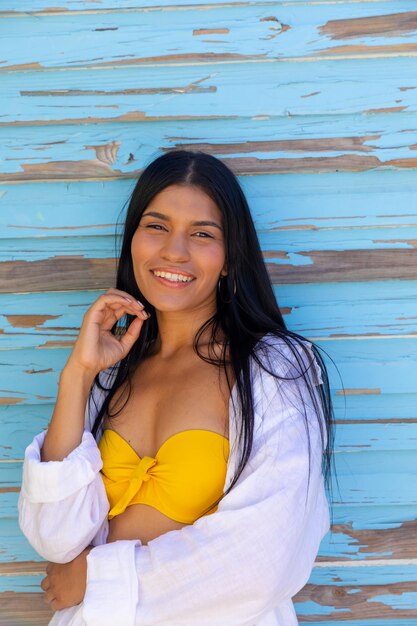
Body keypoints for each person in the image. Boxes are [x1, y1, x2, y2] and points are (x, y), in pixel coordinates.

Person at [18, 149, 334, 626]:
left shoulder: (272, 369)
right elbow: (56, 537)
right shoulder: (113, 374)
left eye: (202, 234)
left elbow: (266, 557)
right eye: (157, 226)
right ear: (133, 242)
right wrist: (77, 374)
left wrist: (98, 579)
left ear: (230, 259)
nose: (174, 251)